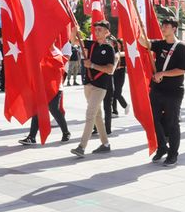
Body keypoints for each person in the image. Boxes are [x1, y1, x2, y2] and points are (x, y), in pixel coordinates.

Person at [139, 17, 185, 166]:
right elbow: (145, 43)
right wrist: (138, 26)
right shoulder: (160, 44)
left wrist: (163, 73)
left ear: (174, 28)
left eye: (166, 25)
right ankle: (162, 147)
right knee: (153, 119)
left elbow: (182, 70)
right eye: (163, 25)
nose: (163, 27)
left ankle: (173, 154)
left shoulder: (181, 47)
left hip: (173, 91)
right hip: (157, 89)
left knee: (172, 122)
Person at [71, 20, 116, 158]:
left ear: (107, 32)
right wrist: (74, 29)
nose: (97, 32)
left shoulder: (109, 49)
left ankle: (82, 146)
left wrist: (93, 66)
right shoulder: (91, 44)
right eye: (95, 30)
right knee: (97, 116)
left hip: (100, 86)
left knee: (90, 115)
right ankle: (105, 144)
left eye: (100, 30)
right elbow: (74, 40)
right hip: (88, 85)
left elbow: (110, 69)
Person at [19, 44, 72, 145]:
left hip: (55, 88)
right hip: (42, 88)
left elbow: (60, 65)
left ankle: (66, 132)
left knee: (54, 109)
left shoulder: (57, 53)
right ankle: (32, 137)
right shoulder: (42, 51)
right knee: (37, 111)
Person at [111, 39, 130, 117]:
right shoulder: (113, 51)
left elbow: (122, 56)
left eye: (119, 44)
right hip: (113, 73)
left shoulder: (124, 52)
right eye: (116, 44)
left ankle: (125, 105)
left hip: (120, 73)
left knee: (117, 93)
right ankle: (114, 111)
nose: (117, 45)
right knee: (112, 92)